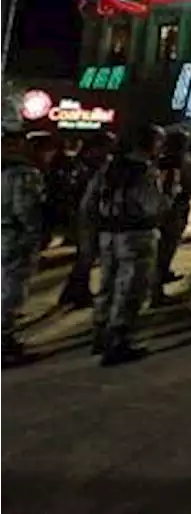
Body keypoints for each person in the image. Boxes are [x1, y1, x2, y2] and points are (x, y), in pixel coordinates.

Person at [86, 124, 168, 365]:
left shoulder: (110, 166)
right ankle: (118, 340)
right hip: (135, 233)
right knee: (130, 287)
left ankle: (100, 332)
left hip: (108, 233)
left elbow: (90, 200)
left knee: (107, 283)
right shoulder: (145, 170)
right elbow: (153, 205)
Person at [0, 116, 45, 368]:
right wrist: (33, 236)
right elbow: (26, 210)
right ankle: (4, 342)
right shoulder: (21, 173)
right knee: (11, 292)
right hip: (12, 237)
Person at [57, 131, 115, 309]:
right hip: (85, 215)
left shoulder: (95, 163)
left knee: (87, 256)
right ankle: (79, 293)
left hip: (92, 214)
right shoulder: (82, 165)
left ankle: (71, 292)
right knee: (86, 256)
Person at [152, 131, 191, 307]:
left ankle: (160, 280)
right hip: (174, 209)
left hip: (164, 210)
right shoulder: (180, 161)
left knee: (163, 249)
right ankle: (156, 293)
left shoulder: (159, 158)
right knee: (165, 249)